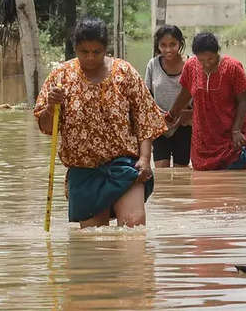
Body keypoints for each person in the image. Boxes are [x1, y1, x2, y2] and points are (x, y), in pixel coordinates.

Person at [34, 18, 167, 228]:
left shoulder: (124, 72)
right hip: (84, 170)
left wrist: (144, 158)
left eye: (96, 52)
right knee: (94, 242)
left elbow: (145, 118)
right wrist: (51, 106)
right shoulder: (61, 77)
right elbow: (47, 127)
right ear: (75, 48)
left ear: (106, 49)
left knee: (134, 225)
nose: (90, 57)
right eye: (83, 51)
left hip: (124, 164)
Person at [166, 32, 246, 171]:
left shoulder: (233, 67)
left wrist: (236, 130)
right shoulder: (191, 66)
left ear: (217, 53)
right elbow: (185, 94)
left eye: (210, 59)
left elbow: (244, 100)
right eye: (201, 60)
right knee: (203, 183)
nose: (206, 64)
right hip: (204, 136)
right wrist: (171, 115)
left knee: (234, 178)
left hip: (230, 134)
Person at [145, 25, 193, 168]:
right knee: (161, 172)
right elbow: (146, 96)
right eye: (163, 45)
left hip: (185, 125)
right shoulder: (153, 64)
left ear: (180, 43)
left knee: (181, 172)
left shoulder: (191, 64)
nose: (168, 49)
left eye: (173, 44)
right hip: (160, 125)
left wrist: (189, 114)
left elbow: (200, 97)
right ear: (158, 45)